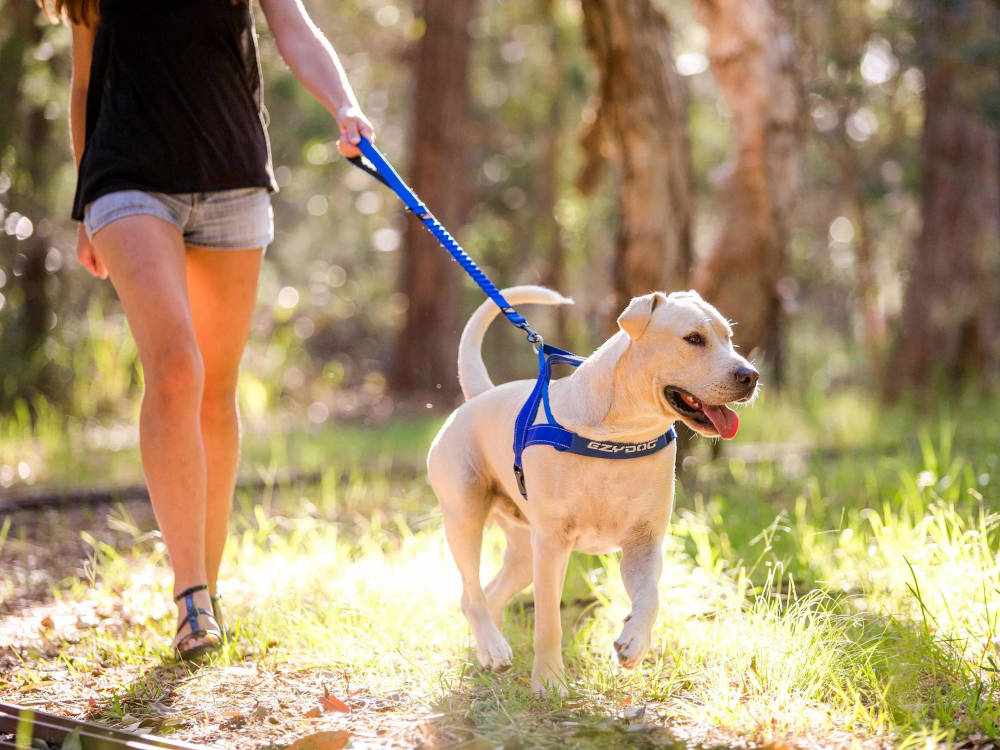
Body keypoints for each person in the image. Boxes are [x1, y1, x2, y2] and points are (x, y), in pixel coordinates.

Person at [42, 0, 375, 660]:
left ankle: (209, 590)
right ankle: (190, 596)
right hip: (127, 178)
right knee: (175, 367)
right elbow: (84, 82)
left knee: (215, 392)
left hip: (231, 175)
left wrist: (345, 104)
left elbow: (295, 30)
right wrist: (85, 202)